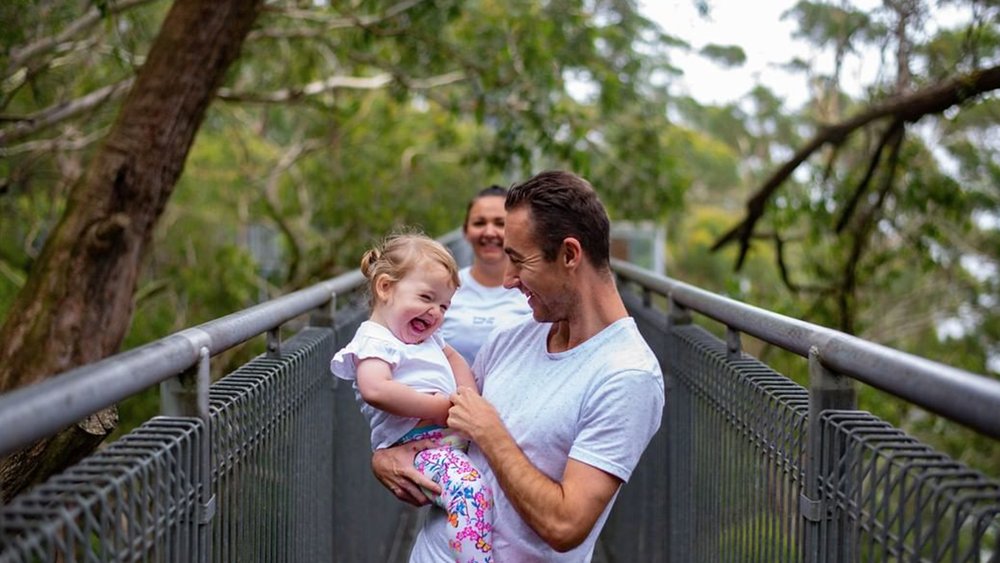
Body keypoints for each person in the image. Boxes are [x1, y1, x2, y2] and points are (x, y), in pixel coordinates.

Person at [372, 171, 665, 561]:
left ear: (570, 255)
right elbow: (446, 427)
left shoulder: (628, 376)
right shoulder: (512, 338)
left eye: (519, 260)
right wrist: (385, 458)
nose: (508, 280)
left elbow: (566, 526)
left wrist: (491, 433)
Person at [330, 232, 494, 563]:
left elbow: (454, 359)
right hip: (420, 448)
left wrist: (468, 399)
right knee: (470, 490)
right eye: (425, 297)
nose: (435, 312)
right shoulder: (374, 340)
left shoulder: (429, 337)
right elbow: (375, 389)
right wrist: (440, 409)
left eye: (444, 305)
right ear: (385, 287)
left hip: (448, 441)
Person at [440, 185, 532, 365]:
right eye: (479, 223)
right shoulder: (442, 288)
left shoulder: (535, 291)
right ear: (465, 231)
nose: (489, 232)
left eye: (500, 223)